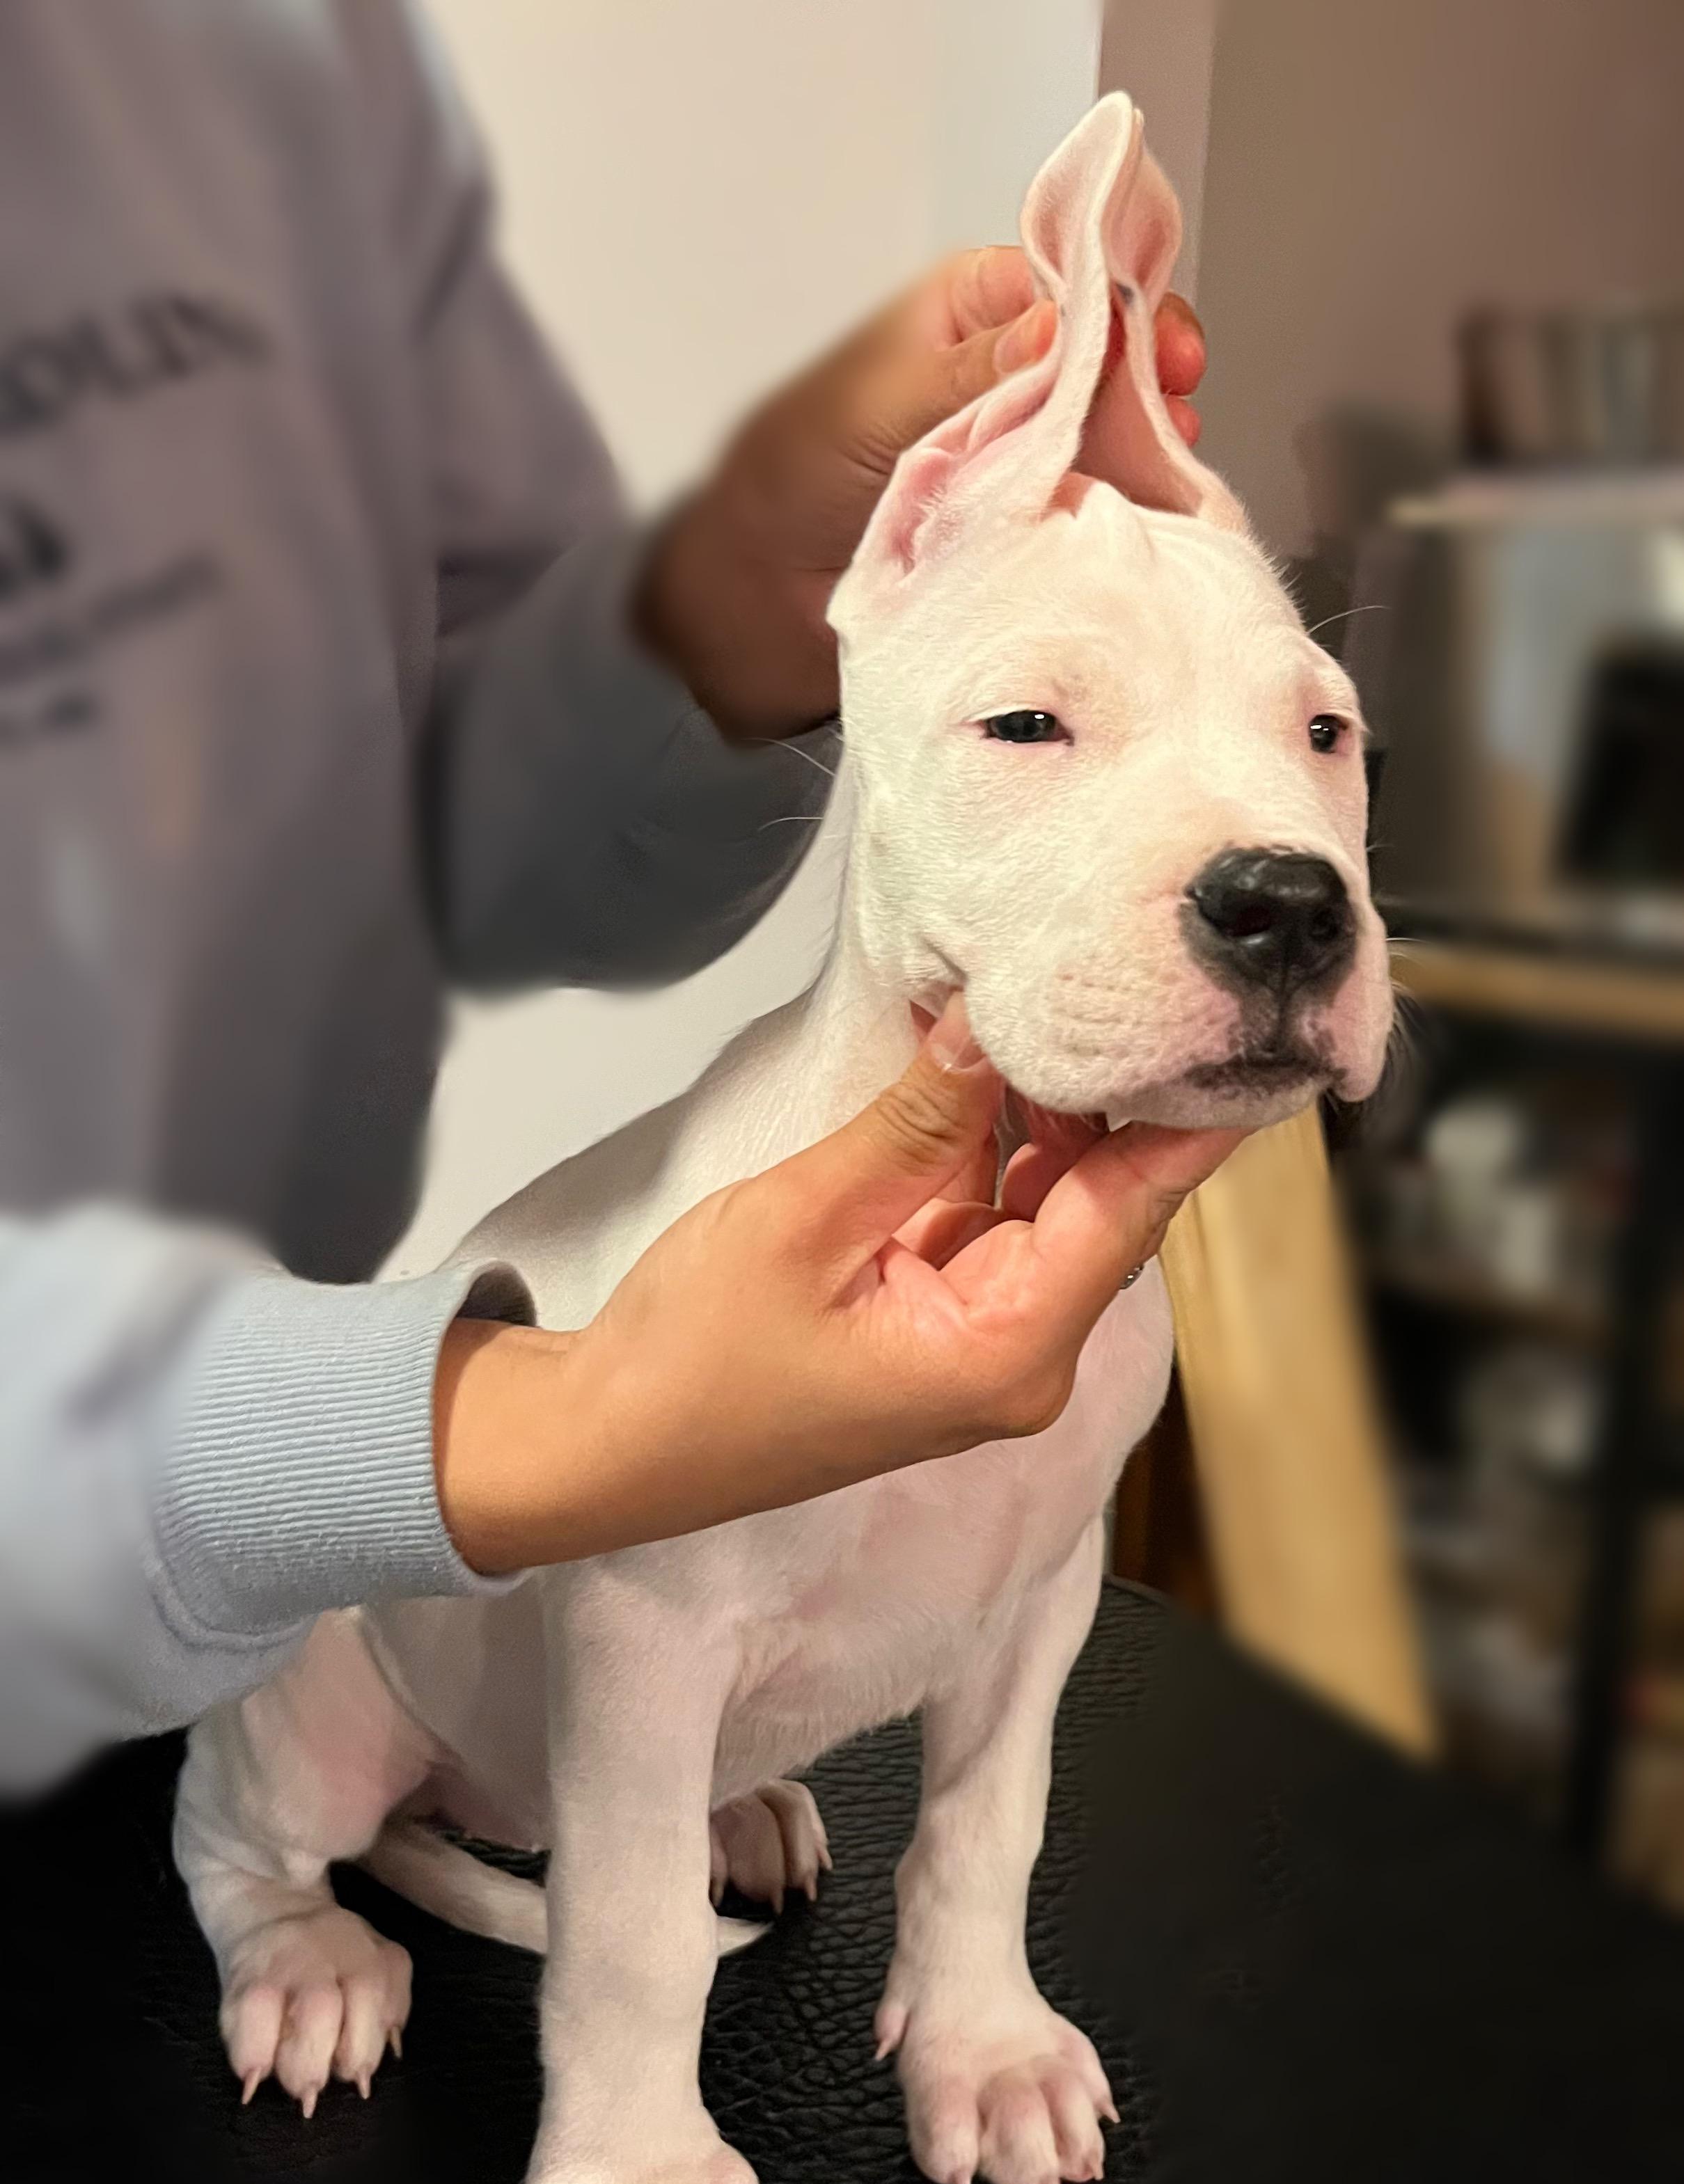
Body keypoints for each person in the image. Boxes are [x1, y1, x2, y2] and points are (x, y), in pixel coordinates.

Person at [0, 0, 1233, 1791]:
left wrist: (728, 609)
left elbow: (472, 827)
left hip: (235, 1582)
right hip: (249, 1563)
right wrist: (527, 1427)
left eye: (1323, 731)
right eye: (1033, 726)